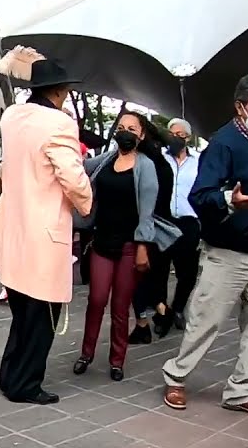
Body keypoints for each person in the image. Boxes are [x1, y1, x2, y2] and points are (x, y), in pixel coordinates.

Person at [161, 74, 248, 417]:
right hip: (227, 253)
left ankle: (241, 392)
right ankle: (176, 377)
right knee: (205, 322)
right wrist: (231, 199)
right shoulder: (223, 144)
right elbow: (200, 195)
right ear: (240, 107)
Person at [0, 47, 93, 405]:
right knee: (42, 316)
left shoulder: (12, 116)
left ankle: (11, 377)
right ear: (60, 91)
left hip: (13, 228)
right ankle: (25, 384)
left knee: (22, 314)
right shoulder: (59, 123)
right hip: (43, 235)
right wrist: (87, 204)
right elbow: (73, 177)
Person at [73, 110, 179, 381]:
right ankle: (86, 353)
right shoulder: (106, 160)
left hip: (130, 245)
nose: (125, 132)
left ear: (141, 135)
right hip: (102, 242)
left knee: (121, 306)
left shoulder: (146, 166)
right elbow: (78, 166)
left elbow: (147, 212)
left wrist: (143, 246)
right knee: (96, 299)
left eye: (132, 129)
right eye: (121, 127)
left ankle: (117, 360)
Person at [132, 117, 201, 341]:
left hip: (189, 221)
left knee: (187, 272)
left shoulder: (198, 161)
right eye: (172, 134)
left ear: (188, 138)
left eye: (180, 135)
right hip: (163, 221)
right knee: (159, 269)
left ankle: (178, 307)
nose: (175, 138)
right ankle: (162, 315)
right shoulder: (159, 159)